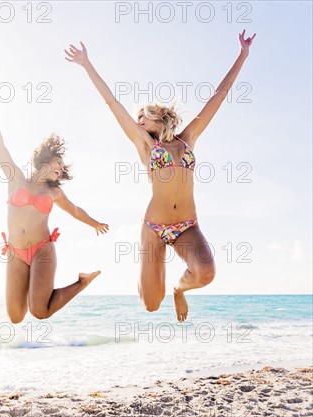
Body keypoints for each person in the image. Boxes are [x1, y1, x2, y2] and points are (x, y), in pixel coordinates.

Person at [65, 30, 256, 322]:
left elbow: (219, 96)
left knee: (206, 273)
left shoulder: (187, 138)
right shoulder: (145, 145)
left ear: (158, 116)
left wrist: (242, 55)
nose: (138, 121)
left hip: (187, 227)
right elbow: (112, 103)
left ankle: (179, 290)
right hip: (154, 227)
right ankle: (149, 266)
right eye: (137, 119)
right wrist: (87, 65)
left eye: (143, 116)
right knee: (152, 305)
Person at [0, 91, 109, 323]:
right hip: (15, 252)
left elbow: (74, 210)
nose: (60, 169)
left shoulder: (54, 192)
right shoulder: (16, 179)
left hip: (42, 249)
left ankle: (82, 282)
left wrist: (95, 224)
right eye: (58, 163)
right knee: (15, 317)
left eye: (63, 169)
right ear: (45, 159)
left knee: (40, 311)